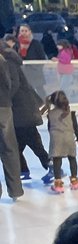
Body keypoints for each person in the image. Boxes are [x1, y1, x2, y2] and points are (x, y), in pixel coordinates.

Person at [5, 44, 51, 183]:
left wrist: (4, 98)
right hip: (21, 112)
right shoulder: (9, 62)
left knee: (33, 144)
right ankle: (24, 171)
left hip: (22, 113)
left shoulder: (8, 63)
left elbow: (13, 86)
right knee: (18, 146)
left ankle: (52, 167)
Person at [41, 90, 78, 193]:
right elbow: (75, 127)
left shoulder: (50, 114)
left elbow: (49, 128)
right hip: (69, 138)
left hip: (56, 139)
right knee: (72, 158)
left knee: (57, 160)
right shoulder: (70, 113)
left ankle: (58, 183)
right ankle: (74, 181)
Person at [0, 43, 22, 200]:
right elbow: (11, 84)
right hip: (4, 105)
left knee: (9, 148)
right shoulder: (6, 60)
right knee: (9, 148)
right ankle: (15, 190)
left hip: (3, 105)